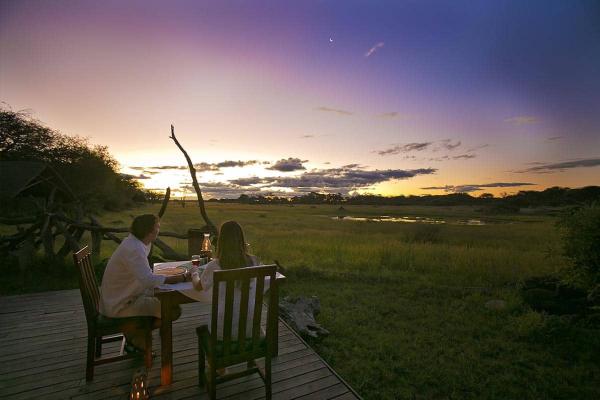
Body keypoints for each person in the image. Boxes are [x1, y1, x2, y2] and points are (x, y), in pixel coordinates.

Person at [99, 214, 186, 351]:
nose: (159, 229)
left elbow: (145, 276)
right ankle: (137, 336)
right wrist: (178, 278)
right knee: (173, 310)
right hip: (120, 304)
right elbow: (148, 280)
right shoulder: (135, 249)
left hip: (121, 297)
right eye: (157, 227)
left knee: (164, 301)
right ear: (149, 231)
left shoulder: (135, 242)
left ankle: (135, 335)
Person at [191, 220, 260, 339]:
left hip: (222, 333)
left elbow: (198, 287)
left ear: (221, 241)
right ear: (241, 239)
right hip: (250, 330)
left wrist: (194, 273)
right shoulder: (254, 261)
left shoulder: (215, 265)